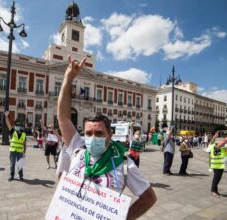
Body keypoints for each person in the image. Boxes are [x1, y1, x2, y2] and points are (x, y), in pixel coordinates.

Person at [57, 56, 156, 219]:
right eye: (88, 133)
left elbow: (149, 198)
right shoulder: (78, 149)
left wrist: (122, 218)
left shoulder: (124, 164)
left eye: (99, 133)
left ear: (110, 135)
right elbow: (63, 117)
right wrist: (68, 79)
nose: (92, 138)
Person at [209, 131, 227, 198]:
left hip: (218, 165)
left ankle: (215, 190)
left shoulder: (212, 145)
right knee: (216, 179)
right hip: (217, 165)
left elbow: (212, 140)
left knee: (217, 178)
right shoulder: (216, 147)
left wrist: (215, 135)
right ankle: (213, 191)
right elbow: (224, 141)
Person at [4, 112, 26, 181]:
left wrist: (24, 152)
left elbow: (24, 144)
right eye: (16, 125)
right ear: (15, 125)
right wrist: (6, 116)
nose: (17, 126)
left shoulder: (23, 134)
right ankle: (11, 176)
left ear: (20, 126)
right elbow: (8, 124)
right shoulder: (12, 131)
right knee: (12, 164)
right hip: (12, 151)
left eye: (18, 125)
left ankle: (21, 176)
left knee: (20, 165)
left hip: (20, 152)